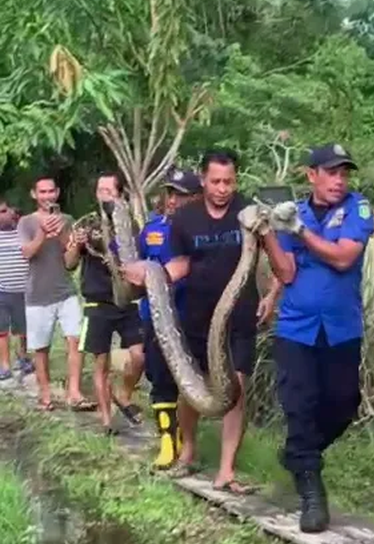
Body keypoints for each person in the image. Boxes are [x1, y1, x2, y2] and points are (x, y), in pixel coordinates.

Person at [125, 149, 260, 492]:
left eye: (229, 181)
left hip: (239, 313)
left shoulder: (249, 212)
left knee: (236, 390)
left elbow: (266, 260)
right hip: (197, 314)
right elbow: (182, 263)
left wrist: (271, 296)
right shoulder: (186, 219)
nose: (222, 188)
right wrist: (154, 277)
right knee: (192, 389)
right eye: (215, 181)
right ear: (203, 180)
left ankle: (226, 469)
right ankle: (188, 450)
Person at [262, 144, 374, 533]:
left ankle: (298, 453)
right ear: (312, 175)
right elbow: (287, 272)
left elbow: (344, 257)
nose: (339, 179)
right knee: (300, 404)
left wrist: (300, 231)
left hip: (342, 327)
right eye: (331, 172)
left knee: (344, 404)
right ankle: (311, 493)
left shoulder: (357, 209)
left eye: (344, 173)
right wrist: (267, 234)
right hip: (296, 327)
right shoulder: (295, 212)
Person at [65, 172, 144, 434]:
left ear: (119, 194)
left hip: (126, 300)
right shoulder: (87, 224)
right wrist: (76, 245)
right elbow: (69, 264)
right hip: (97, 303)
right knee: (101, 363)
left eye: (109, 190)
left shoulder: (130, 225)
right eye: (100, 190)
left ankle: (123, 395)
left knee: (139, 355)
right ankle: (107, 421)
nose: (103, 195)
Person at [138, 168, 203, 469]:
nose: (175, 200)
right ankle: (167, 441)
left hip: (195, 314)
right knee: (160, 379)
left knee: (191, 379)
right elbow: (134, 267)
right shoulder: (152, 230)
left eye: (182, 194)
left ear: (196, 198)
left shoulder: (206, 231)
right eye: (171, 193)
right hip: (158, 317)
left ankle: (190, 441)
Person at [17, 176, 92, 412]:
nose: (47, 196)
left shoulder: (68, 220)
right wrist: (42, 233)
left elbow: (70, 263)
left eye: (51, 191)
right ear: (34, 195)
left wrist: (67, 240)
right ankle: (46, 393)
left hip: (66, 291)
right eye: (42, 192)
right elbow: (27, 254)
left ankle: (74, 392)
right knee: (41, 347)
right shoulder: (26, 223)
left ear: (57, 193)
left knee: (76, 340)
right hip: (37, 294)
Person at [0, 197, 33, 380]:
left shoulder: (22, 233)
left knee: (22, 328)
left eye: (4, 211)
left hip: (24, 289)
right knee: (1, 330)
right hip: (2, 290)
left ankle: (23, 358)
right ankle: (4, 366)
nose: (2, 216)